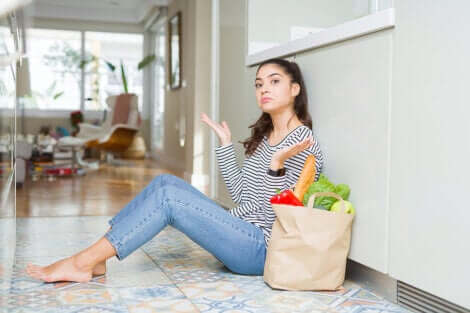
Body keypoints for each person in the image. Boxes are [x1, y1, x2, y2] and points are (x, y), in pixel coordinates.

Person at [26, 58, 324, 283]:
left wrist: (277, 167)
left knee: (169, 198)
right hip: (242, 231)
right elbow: (241, 196)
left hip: (261, 249)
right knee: (165, 182)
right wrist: (223, 146)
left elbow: (281, 217)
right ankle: (99, 259)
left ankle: (82, 262)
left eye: (273, 81)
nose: (264, 89)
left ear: (295, 89)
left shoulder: (302, 142)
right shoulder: (266, 137)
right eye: (259, 84)